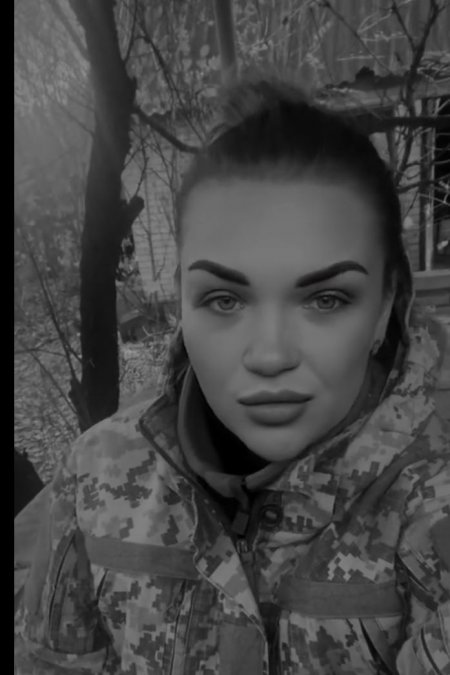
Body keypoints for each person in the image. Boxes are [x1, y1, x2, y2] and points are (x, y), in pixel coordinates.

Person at [15, 78, 450, 674]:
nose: (269, 355)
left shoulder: (431, 507)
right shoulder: (95, 476)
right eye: (224, 299)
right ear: (181, 301)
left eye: (326, 299)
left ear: (385, 307)